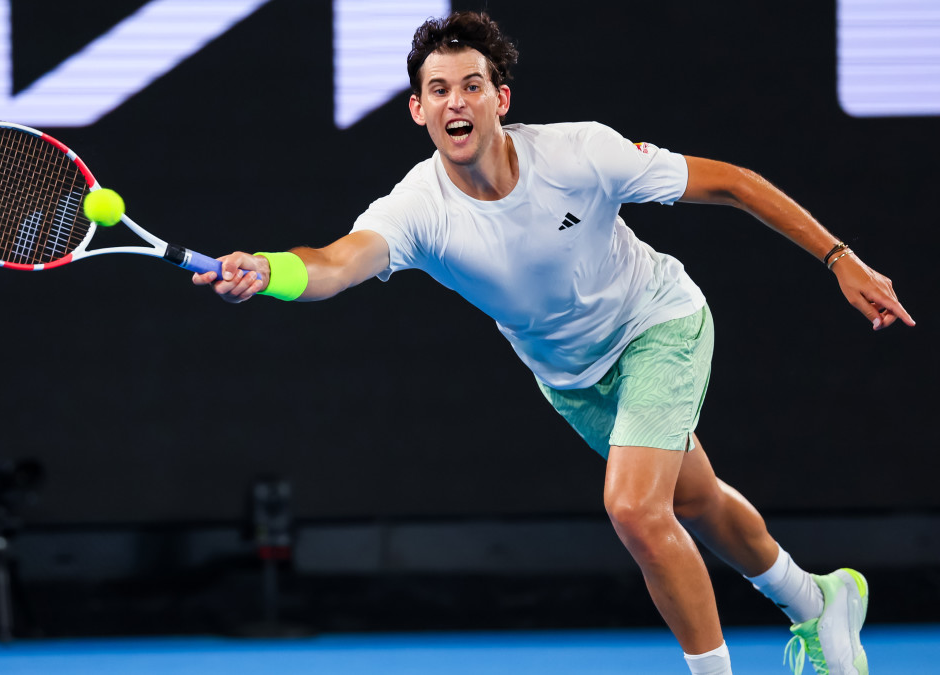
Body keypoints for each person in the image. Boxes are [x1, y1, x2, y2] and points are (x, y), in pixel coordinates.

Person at [193, 11, 913, 675]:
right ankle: (819, 603)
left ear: (499, 99)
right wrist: (269, 270)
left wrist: (838, 256)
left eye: (471, 85)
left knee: (634, 508)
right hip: (570, 378)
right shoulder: (417, 207)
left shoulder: (580, 153)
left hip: (657, 324)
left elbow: (734, 184)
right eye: (437, 89)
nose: (455, 102)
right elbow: (335, 261)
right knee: (692, 501)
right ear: (417, 110)